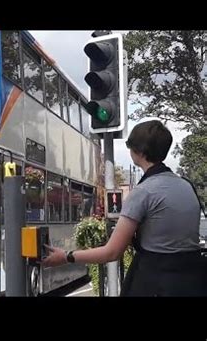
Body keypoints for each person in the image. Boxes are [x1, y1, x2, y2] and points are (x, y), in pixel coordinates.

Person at [42, 120, 207, 296]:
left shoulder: (143, 192)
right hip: (194, 282)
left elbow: (112, 252)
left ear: (139, 152)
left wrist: (66, 256)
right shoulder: (187, 186)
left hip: (156, 283)